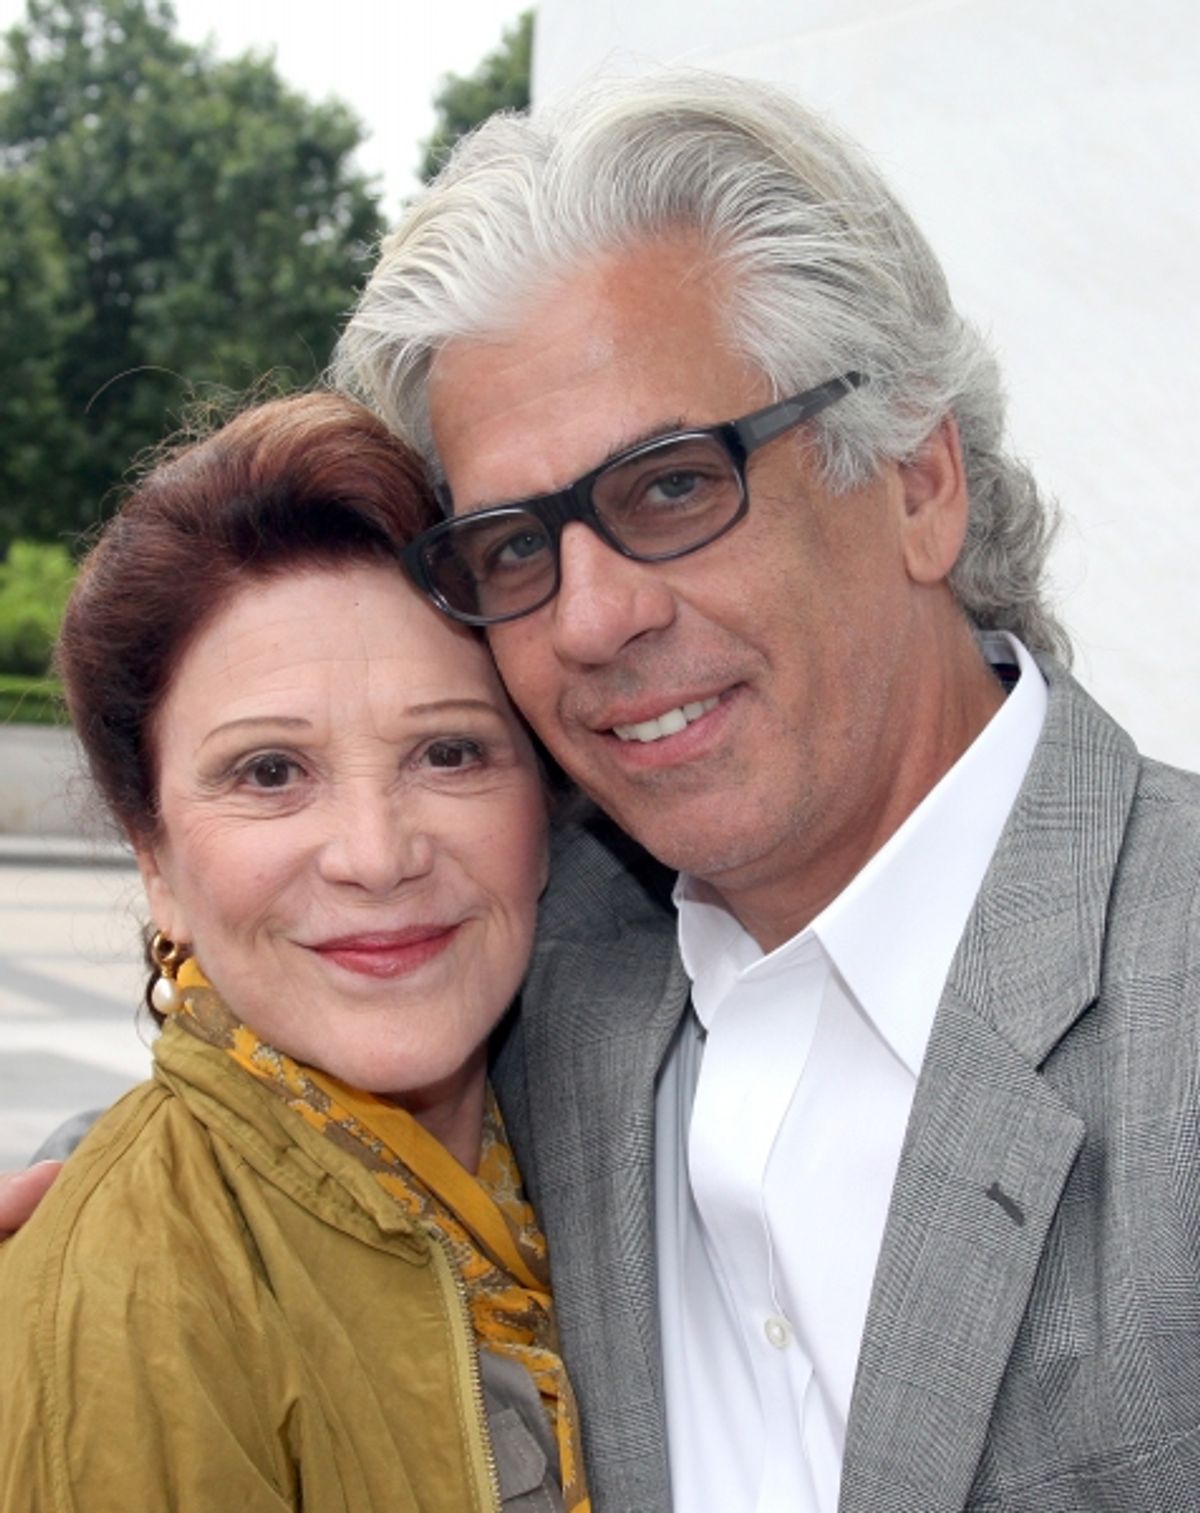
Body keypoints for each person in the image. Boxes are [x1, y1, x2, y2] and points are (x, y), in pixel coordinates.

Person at [5, 69, 1200, 1513]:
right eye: (514, 544)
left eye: (674, 488)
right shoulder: (552, 957)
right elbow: (295, 1115)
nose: (590, 619)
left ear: (917, 479)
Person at [0, 393, 588, 1513]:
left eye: (451, 751)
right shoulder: (137, 1298)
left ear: (546, 810)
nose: (375, 854)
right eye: (270, 771)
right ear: (155, 856)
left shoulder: (617, 1161)